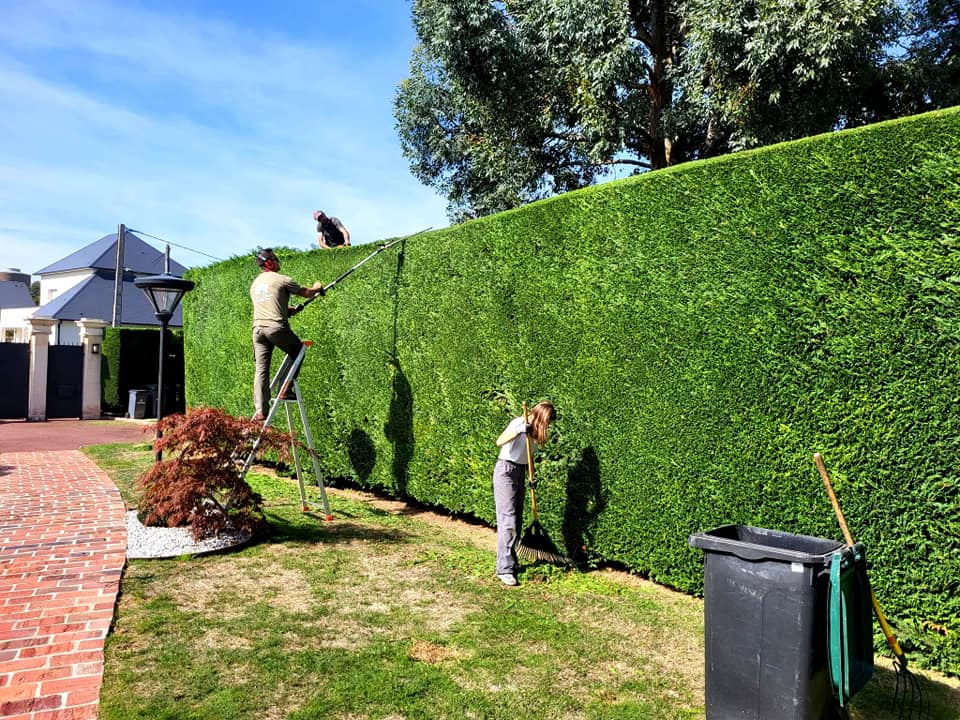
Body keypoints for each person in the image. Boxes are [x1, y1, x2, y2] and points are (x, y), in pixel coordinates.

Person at [250, 248, 325, 420]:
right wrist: (317, 287)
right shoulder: (281, 279)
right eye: (275, 259)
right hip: (275, 327)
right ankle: (286, 388)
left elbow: (269, 306)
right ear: (269, 263)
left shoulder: (255, 285)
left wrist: (290, 310)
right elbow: (306, 293)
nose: (278, 262)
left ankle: (261, 410)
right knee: (298, 350)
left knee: (261, 369)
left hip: (258, 331)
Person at [492, 401, 557, 586]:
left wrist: (532, 476)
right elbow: (499, 442)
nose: (547, 427)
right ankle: (504, 569)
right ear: (541, 417)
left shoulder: (536, 431)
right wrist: (520, 430)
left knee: (517, 519)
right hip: (506, 470)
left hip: (521, 471)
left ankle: (511, 562)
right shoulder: (518, 423)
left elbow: (527, 456)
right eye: (547, 423)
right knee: (508, 519)